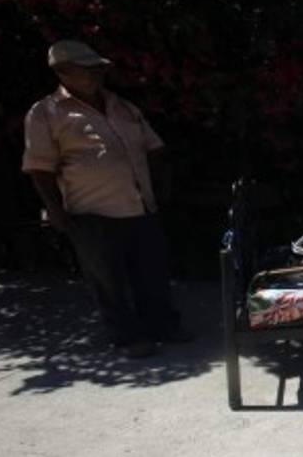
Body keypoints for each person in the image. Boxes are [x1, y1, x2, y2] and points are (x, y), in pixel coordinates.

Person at [22, 40, 191, 358]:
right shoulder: (46, 113)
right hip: (92, 211)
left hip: (139, 204)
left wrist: (161, 188)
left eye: (98, 68)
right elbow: (39, 169)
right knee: (108, 280)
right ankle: (128, 337)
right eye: (88, 69)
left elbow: (154, 148)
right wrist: (54, 210)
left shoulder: (122, 106)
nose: (97, 74)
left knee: (152, 273)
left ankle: (163, 326)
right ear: (62, 72)